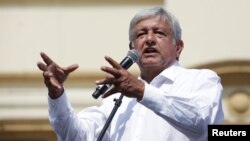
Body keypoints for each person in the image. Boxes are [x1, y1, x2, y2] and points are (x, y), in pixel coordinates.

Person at [37, 7, 224, 141]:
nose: (149, 39)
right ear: (131, 48)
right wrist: (57, 95)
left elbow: (203, 124)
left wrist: (142, 91)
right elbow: (75, 136)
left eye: (159, 33)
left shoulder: (201, 80)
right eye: (141, 34)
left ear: (178, 47)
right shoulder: (117, 97)